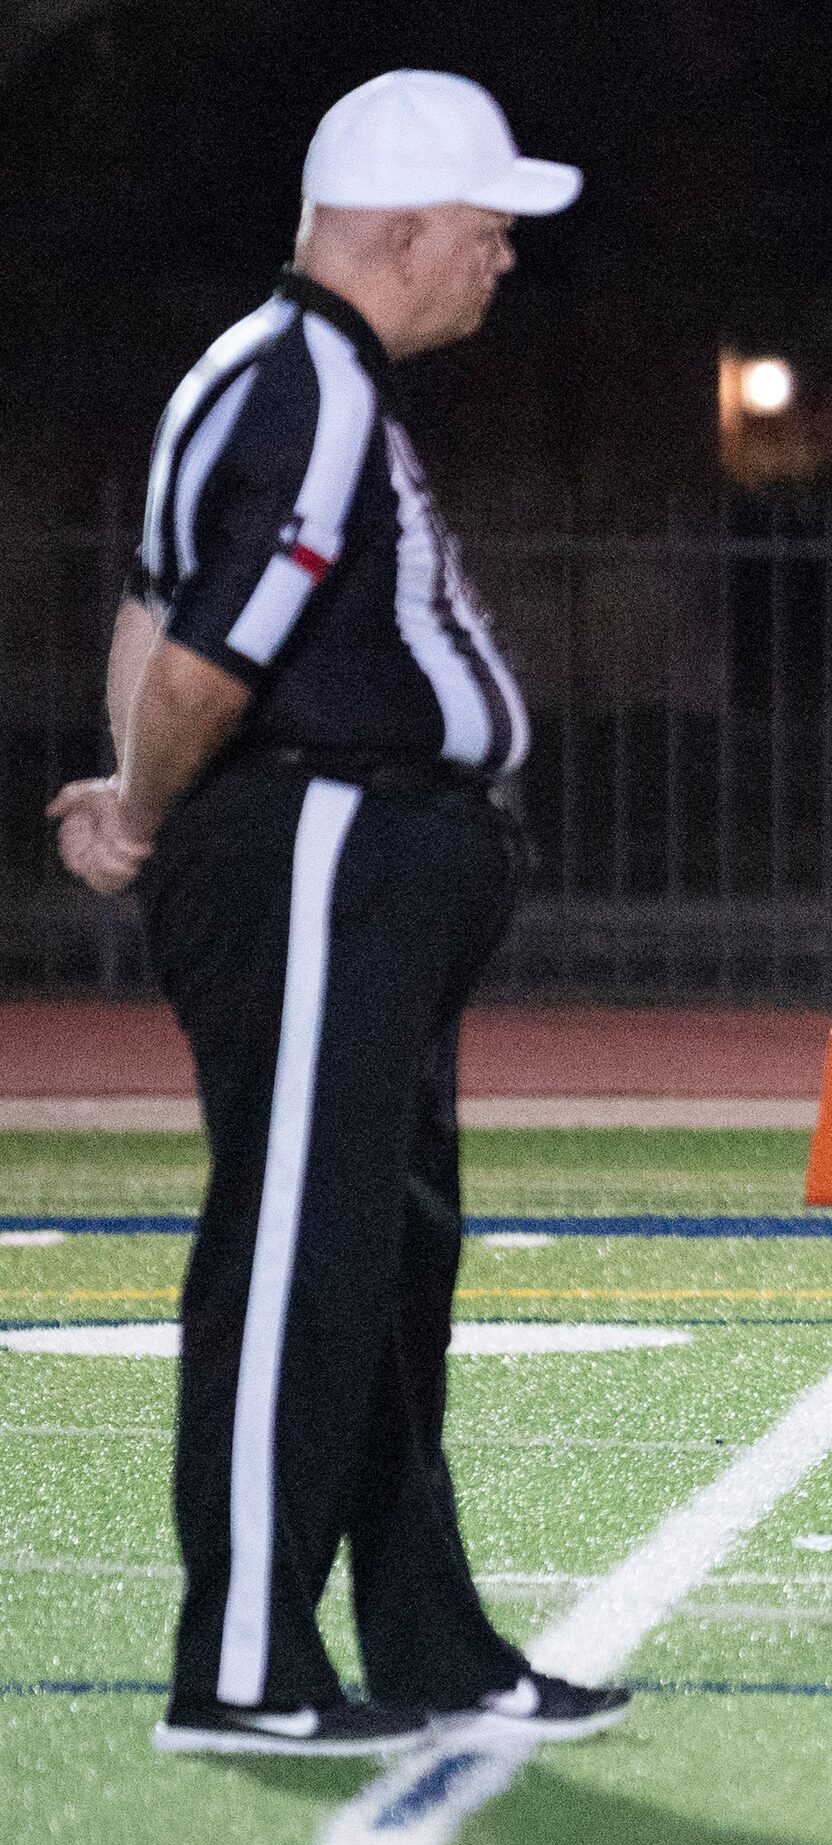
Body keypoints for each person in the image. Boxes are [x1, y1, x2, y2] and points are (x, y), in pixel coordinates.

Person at [48, 72, 626, 1756]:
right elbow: (213, 654)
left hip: (357, 859)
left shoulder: (289, 375)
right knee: (300, 1249)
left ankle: (427, 1641)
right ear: (391, 232)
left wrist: (129, 780)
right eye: (482, 224)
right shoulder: (304, 380)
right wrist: (149, 806)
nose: (503, 253)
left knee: (383, 1256)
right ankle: (238, 1660)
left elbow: (156, 597)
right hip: (318, 842)